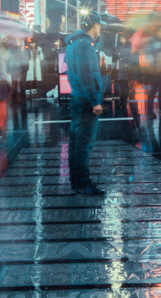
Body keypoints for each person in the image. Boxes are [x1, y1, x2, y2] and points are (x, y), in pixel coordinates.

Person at [65, 13, 105, 195]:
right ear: (95, 25)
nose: (100, 30)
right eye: (100, 26)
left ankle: (76, 180)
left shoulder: (73, 43)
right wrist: (95, 101)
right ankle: (82, 183)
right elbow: (87, 75)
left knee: (75, 143)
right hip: (85, 100)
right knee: (83, 145)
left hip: (77, 98)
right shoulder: (84, 45)